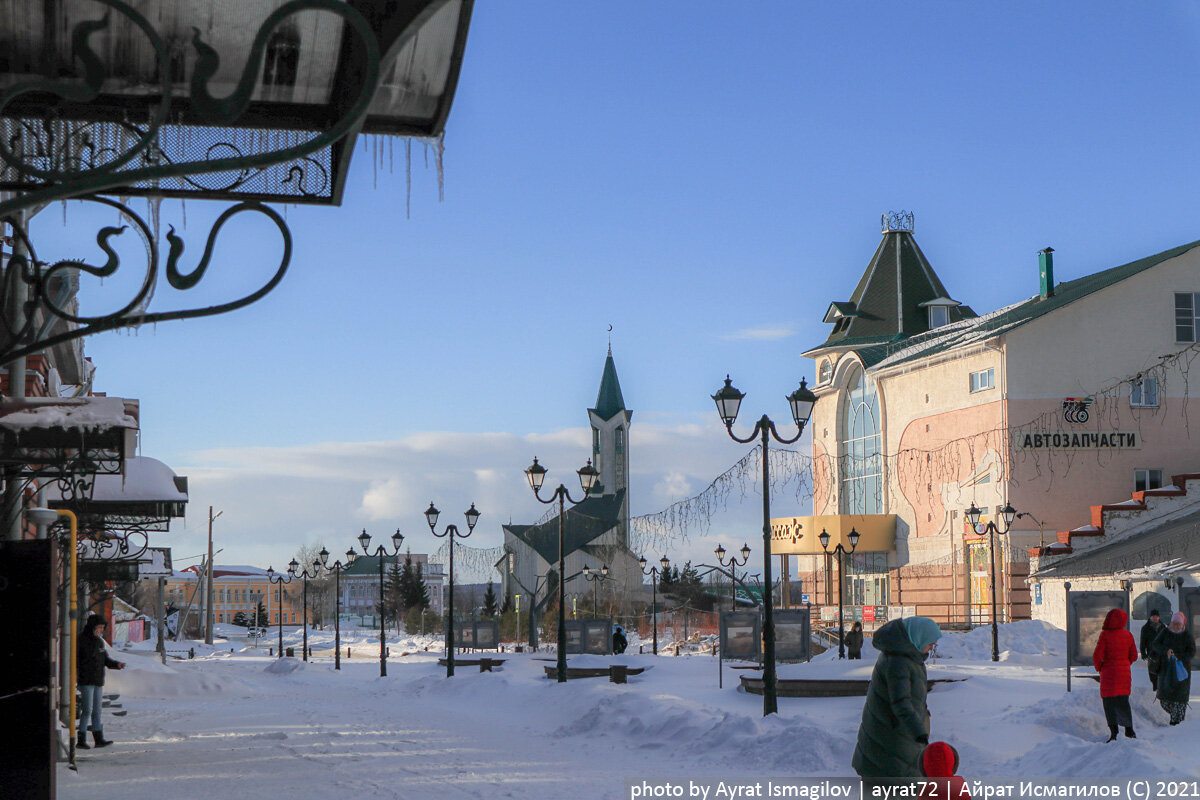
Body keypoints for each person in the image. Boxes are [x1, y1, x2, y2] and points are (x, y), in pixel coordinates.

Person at [852, 616, 942, 780]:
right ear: (918, 638)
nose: (931, 648)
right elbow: (901, 703)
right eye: (930, 643)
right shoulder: (898, 662)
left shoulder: (906, 657)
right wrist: (919, 733)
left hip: (894, 737)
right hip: (891, 739)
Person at [77, 614, 125, 749]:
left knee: (96, 711)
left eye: (103, 628)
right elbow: (77, 661)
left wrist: (117, 665)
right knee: (87, 710)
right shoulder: (81, 640)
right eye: (99, 627)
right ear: (92, 627)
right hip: (86, 680)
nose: (101, 630)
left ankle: (98, 739)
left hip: (98, 681)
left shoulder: (99, 642)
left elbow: (105, 660)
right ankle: (80, 739)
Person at [1092, 607, 1138, 741]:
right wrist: (1125, 663)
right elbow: (1134, 655)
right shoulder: (1128, 635)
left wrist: (1100, 668)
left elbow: (1097, 655)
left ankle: (1113, 732)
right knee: (1123, 701)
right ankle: (1129, 729)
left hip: (1108, 673)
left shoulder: (1105, 635)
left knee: (1109, 703)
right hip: (1124, 674)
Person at [1151, 612, 1195, 726]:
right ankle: (1175, 718)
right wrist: (1166, 651)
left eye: (1178, 624)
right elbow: (1155, 644)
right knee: (1164, 699)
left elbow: (1192, 652)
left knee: (1180, 699)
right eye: (1173, 623)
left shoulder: (1187, 635)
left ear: (1182, 625)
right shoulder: (1165, 632)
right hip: (1166, 670)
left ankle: (1177, 725)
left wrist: (1179, 656)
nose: (1175, 626)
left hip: (1181, 671)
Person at [1140, 609, 1165, 691]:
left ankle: (1161, 690)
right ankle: (1155, 689)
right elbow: (1143, 642)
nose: (1155, 618)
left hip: (1162, 654)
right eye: (1153, 616)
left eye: (1156, 616)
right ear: (1150, 617)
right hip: (1151, 654)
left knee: (1162, 673)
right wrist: (1143, 653)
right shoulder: (1145, 628)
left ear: (1159, 617)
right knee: (1152, 673)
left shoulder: (1163, 627)